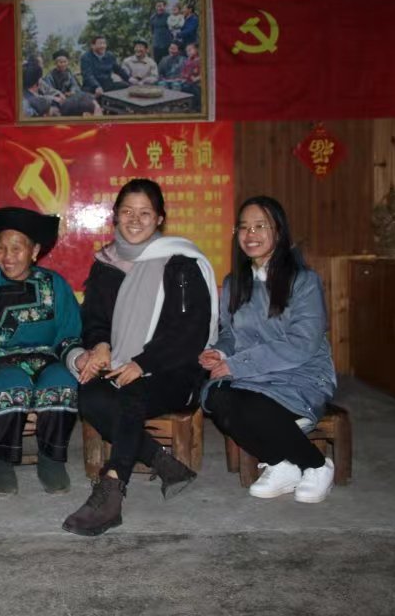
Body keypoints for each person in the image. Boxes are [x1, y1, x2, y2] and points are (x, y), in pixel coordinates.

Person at [62, 179, 219, 537]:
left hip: (175, 370)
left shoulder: (181, 263)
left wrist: (143, 364)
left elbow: (191, 332)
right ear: (115, 216)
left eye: (145, 213)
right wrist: (101, 345)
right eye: (127, 212)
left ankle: (112, 488)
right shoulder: (105, 264)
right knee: (90, 395)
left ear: (160, 218)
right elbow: (95, 319)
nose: (135, 220)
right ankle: (164, 462)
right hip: (121, 364)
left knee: (128, 394)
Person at [199, 196, 337, 504]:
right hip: (252, 376)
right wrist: (220, 353)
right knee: (217, 397)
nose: (251, 234)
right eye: (244, 227)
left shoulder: (304, 281)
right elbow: (230, 334)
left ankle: (316, 465)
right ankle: (281, 464)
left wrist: (236, 365)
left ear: (279, 231)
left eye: (260, 226)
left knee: (251, 406)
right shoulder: (235, 283)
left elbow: (302, 344)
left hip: (301, 374)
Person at [0, 207, 82, 496]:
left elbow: (69, 333)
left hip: (46, 358)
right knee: (12, 384)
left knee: (63, 383)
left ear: (35, 251)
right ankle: (1, 460)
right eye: (1, 248)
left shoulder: (54, 284)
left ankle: (51, 458)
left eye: (17, 248)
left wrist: (77, 356)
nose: (7, 256)